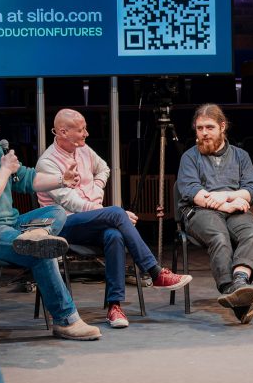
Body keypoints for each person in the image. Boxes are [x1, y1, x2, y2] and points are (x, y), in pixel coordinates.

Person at [0, 104, 101, 340]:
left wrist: (61, 180)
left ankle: (37, 235)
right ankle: (66, 320)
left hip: (10, 223)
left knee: (56, 212)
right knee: (40, 251)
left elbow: (25, 178)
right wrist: (5, 169)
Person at [35, 109, 192, 329]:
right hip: (63, 225)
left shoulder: (83, 150)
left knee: (114, 235)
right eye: (81, 130)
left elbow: (104, 169)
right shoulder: (48, 163)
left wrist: (97, 188)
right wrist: (108, 212)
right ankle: (154, 272)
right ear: (63, 132)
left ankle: (114, 306)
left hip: (90, 223)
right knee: (117, 213)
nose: (86, 133)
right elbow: (71, 203)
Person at [176, 104, 253, 324]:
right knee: (219, 236)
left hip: (235, 208)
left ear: (222, 127)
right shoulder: (190, 157)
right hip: (199, 211)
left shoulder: (241, 156)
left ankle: (240, 281)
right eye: (199, 128)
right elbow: (193, 192)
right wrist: (227, 204)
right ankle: (231, 289)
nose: (204, 133)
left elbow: (251, 190)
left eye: (209, 127)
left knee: (251, 233)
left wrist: (226, 197)